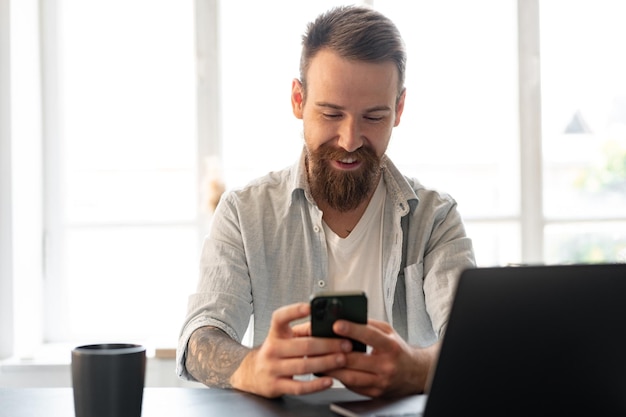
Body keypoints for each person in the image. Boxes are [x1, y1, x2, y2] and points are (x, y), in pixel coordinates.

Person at [176, 5, 475, 399]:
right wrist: (250, 367)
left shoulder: (435, 219)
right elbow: (199, 339)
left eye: (373, 117)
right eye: (331, 113)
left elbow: (473, 344)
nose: (350, 140)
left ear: (399, 109)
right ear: (299, 100)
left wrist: (415, 369)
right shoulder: (244, 213)